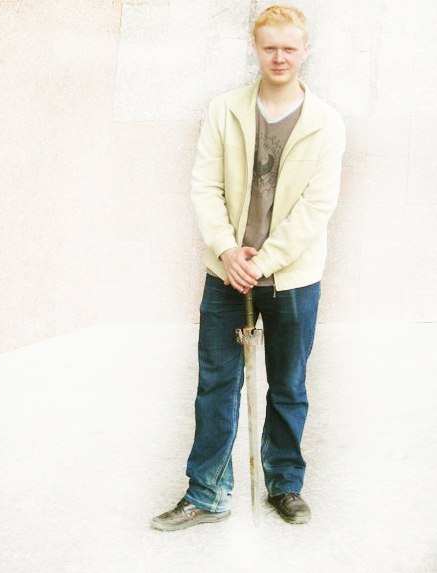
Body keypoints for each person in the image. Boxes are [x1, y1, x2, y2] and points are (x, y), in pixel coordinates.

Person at [151, 4, 346, 531]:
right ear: (256, 49)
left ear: (305, 50)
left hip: (293, 279)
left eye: (289, 48)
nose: (279, 57)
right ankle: (207, 493)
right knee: (216, 385)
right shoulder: (225, 110)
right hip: (227, 273)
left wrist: (265, 261)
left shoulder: (326, 122)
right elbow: (205, 186)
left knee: (288, 385)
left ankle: (284, 485)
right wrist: (226, 251)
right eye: (270, 47)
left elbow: (317, 207)